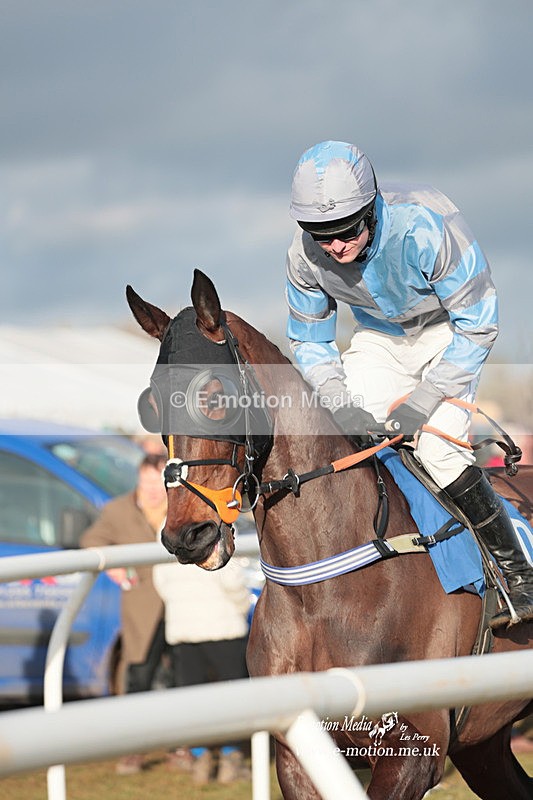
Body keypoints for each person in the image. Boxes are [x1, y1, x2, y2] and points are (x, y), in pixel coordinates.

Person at [285, 139, 533, 628]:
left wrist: (422, 401)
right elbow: (310, 340)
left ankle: (519, 572)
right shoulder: (303, 255)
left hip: (448, 333)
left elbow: (479, 324)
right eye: (320, 235)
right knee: (349, 440)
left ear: (370, 208)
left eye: (346, 230)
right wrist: (340, 403)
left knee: (439, 452)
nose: (335, 247)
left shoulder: (427, 222)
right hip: (379, 339)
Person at [81, 452, 168, 774]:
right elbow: (91, 541)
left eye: (158, 482)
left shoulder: (181, 506)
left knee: (184, 677)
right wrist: (114, 568)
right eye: (147, 482)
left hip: (182, 604)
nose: (153, 489)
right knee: (138, 676)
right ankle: (134, 749)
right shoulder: (118, 510)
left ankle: (183, 747)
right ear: (139, 479)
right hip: (141, 607)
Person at [153, 557, 251, 785]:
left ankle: (200, 760)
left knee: (191, 698)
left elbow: (161, 580)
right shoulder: (218, 530)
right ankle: (231, 758)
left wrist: (179, 605)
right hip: (223, 624)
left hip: (183, 626)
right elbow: (232, 579)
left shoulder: (163, 536)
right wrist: (242, 607)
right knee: (233, 697)